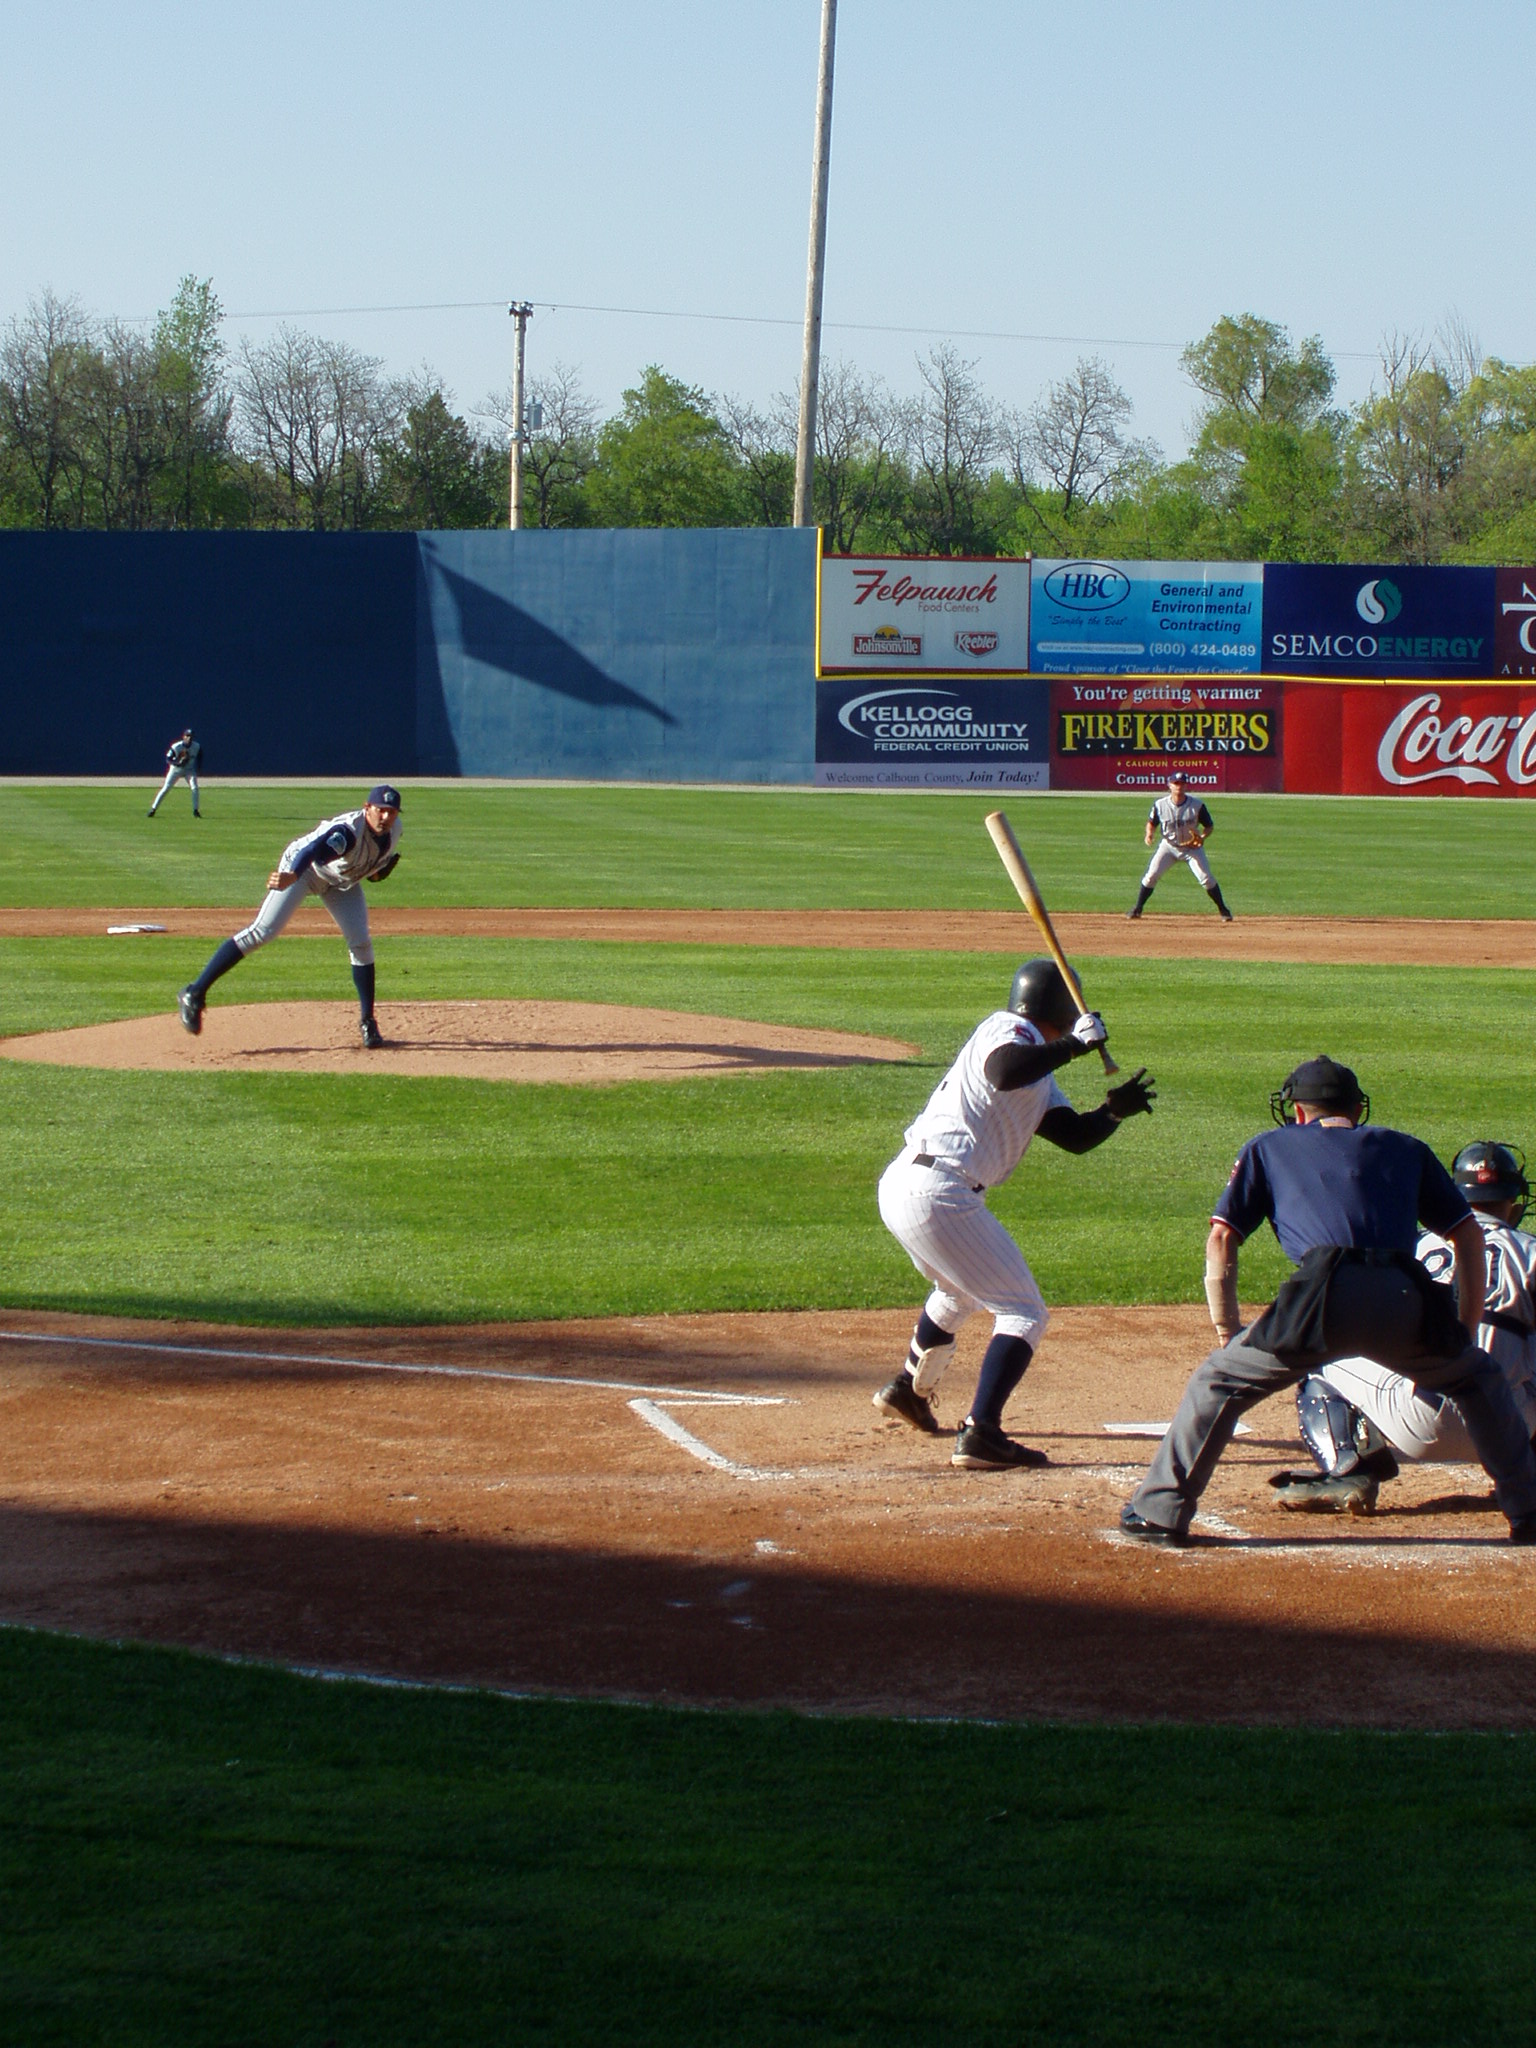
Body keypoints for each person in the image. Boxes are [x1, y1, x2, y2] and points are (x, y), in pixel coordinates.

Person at [1120, 1058, 1536, 1547]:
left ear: (1298, 1111)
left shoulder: (1268, 1146)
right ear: (1358, 1109)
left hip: (1320, 1296)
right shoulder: (1406, 1147)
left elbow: (1221, 1238)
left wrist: (1227, 1334)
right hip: (1404, 1294)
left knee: (1218, 1381)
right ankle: (1528, 1513)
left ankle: (1161, 1513)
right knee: (1478, 1378)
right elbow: (1466, 1233)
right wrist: (1463, 1334)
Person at [872, 958, 1156, 1469]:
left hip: (913, 1185)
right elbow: (1004, 1071)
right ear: (1063, 1010)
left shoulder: (1039, 1070)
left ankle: (910, 1391)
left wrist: (1114, 1111)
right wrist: (1076, 1047)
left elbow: (1073, 1137)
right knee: (1023, 1311)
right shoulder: (1008, 1030)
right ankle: (982, 1433)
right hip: (939, 1190)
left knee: (957, 1291)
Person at [1271, 1141, 1536, 1512]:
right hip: (1507, 1426)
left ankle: (1349, 1470)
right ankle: (1526, 1476)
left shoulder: (1413, 1245)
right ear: (1515, 1200)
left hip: (1417, 1423)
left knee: (1326, 1360)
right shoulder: (1530, 1249)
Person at [176, 785, 403, 1049]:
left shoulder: (394, 832)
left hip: (340, 882)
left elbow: (368, 868)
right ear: (367, 808)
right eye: (381, 810)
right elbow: (315, 852)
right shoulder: (348, 832)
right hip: (304, 870)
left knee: (361, 942)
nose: (386, 817)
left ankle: (368, 1021)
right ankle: (194, 993)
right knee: (263, 931)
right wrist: (292, 875)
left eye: (392, 812)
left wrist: (375, 874)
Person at [1127, 774, 1232, 921]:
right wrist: (1149, 834)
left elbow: (1209, 826)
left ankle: (1223, 910)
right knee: (1151, 876)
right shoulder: (1160, 805)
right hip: (1168, 847)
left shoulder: (1197, 805)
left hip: (1192, 848)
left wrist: (1202, 837)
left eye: (1182, 783)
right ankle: (1137, 909)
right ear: (1169, 785)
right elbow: (1151, 823)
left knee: (1206, 878)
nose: (1179, 786)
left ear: (1186, 785)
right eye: (1176, 783)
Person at [148, 728, 202, 817]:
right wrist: (177, 763)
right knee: (166, 788)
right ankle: (153, 809)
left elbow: (200, 757)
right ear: (183, 736)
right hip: (176, 769)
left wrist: (199, 768)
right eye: (187, 736)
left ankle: (196, 811)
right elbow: (168, 759)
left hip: (189, 769)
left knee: (194, 788)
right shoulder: (176, 746)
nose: (189, 738)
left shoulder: (196, 746)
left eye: (191, 736)